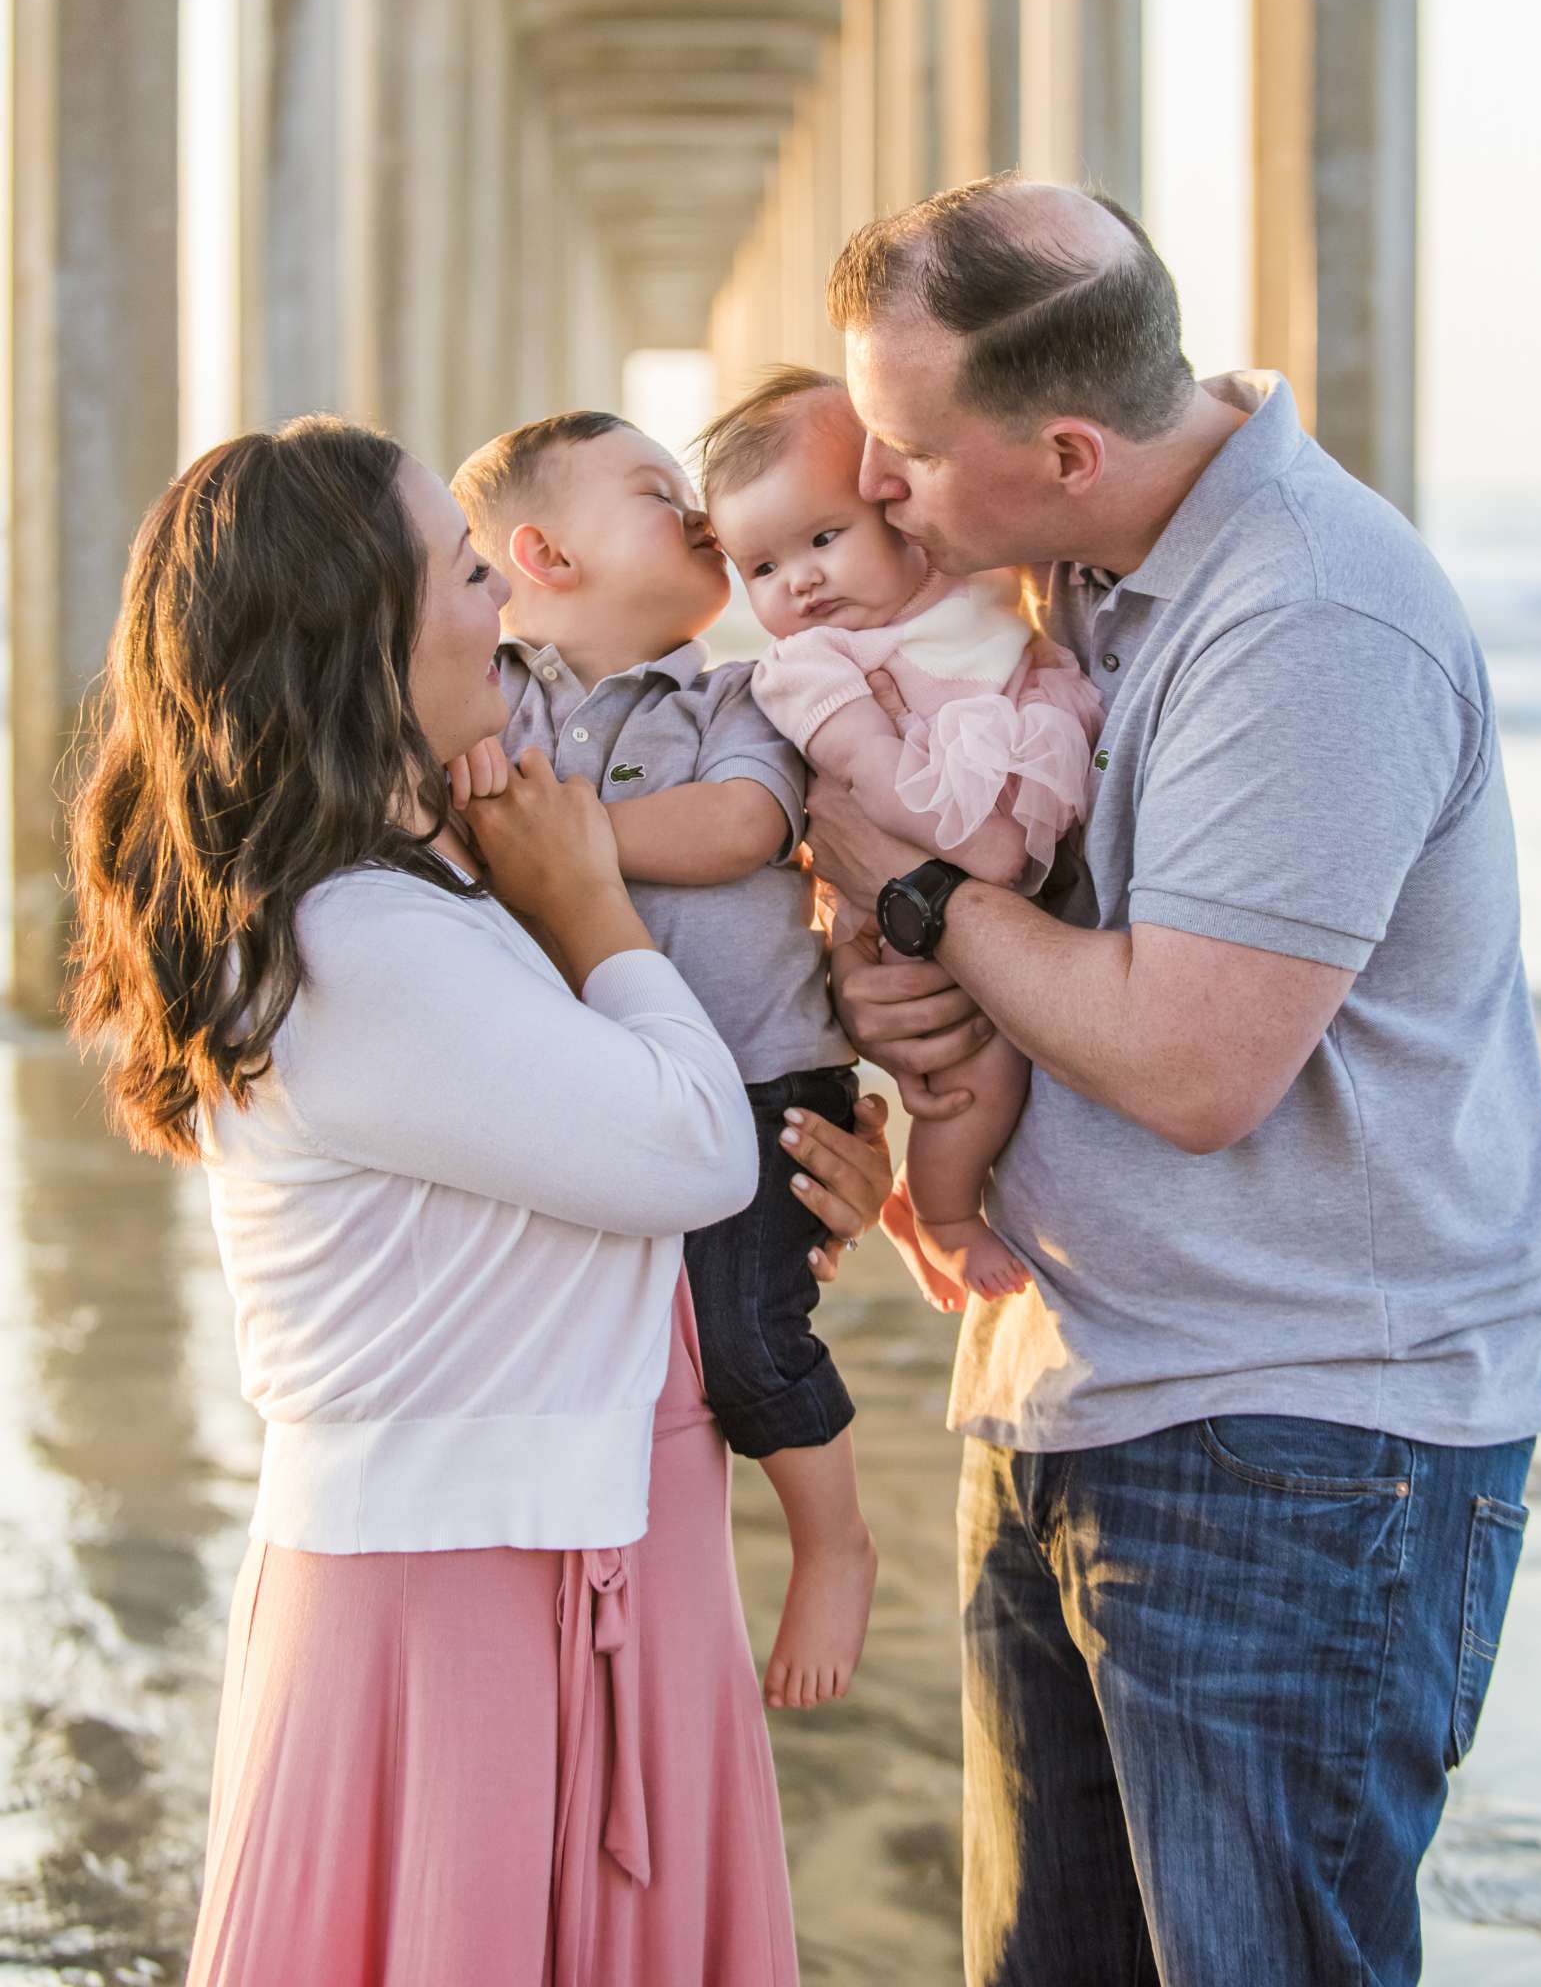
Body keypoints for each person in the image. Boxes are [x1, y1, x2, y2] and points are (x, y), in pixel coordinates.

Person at [805, 175, 1541, 1987]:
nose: (873, 491)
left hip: (1296, 1448)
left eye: (902, 452)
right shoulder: (1077, 569)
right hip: (1081, 1387)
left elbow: (1185, 1059)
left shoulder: (1308, 620)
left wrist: (917, 890)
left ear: (1069, 447)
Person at [66, 415, 890, 1986]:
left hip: (576, 1533)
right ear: (363, 633)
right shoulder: (360, 939)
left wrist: (797, 1207)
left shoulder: (421, 886)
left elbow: (602, 1182)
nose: (497, 608)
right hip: (462, 1602)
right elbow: (683, 1147)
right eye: (459, 575)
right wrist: (588, 903)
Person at [449, 409, 878, 1712]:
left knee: (747, 1333)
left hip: (757, 1073)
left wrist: (554, 845)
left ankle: (832, 1540)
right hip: (602, 1089)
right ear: (545, 553)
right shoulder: (485, 700)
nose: (699, 514)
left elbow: (743, 823)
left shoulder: (742, 691)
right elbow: (440, 827)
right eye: (656, 492)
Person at [702, 365, 1100, 1304]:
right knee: (977, 1069)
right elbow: (881, 780)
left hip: (985, 875)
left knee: (1000, 1047)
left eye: (825, 538)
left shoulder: (977, 583)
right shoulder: (813, 666)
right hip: (909, 891)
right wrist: (984, 857)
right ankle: (946, 1212)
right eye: (760, 568)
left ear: (899, 512)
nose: (798, 580)